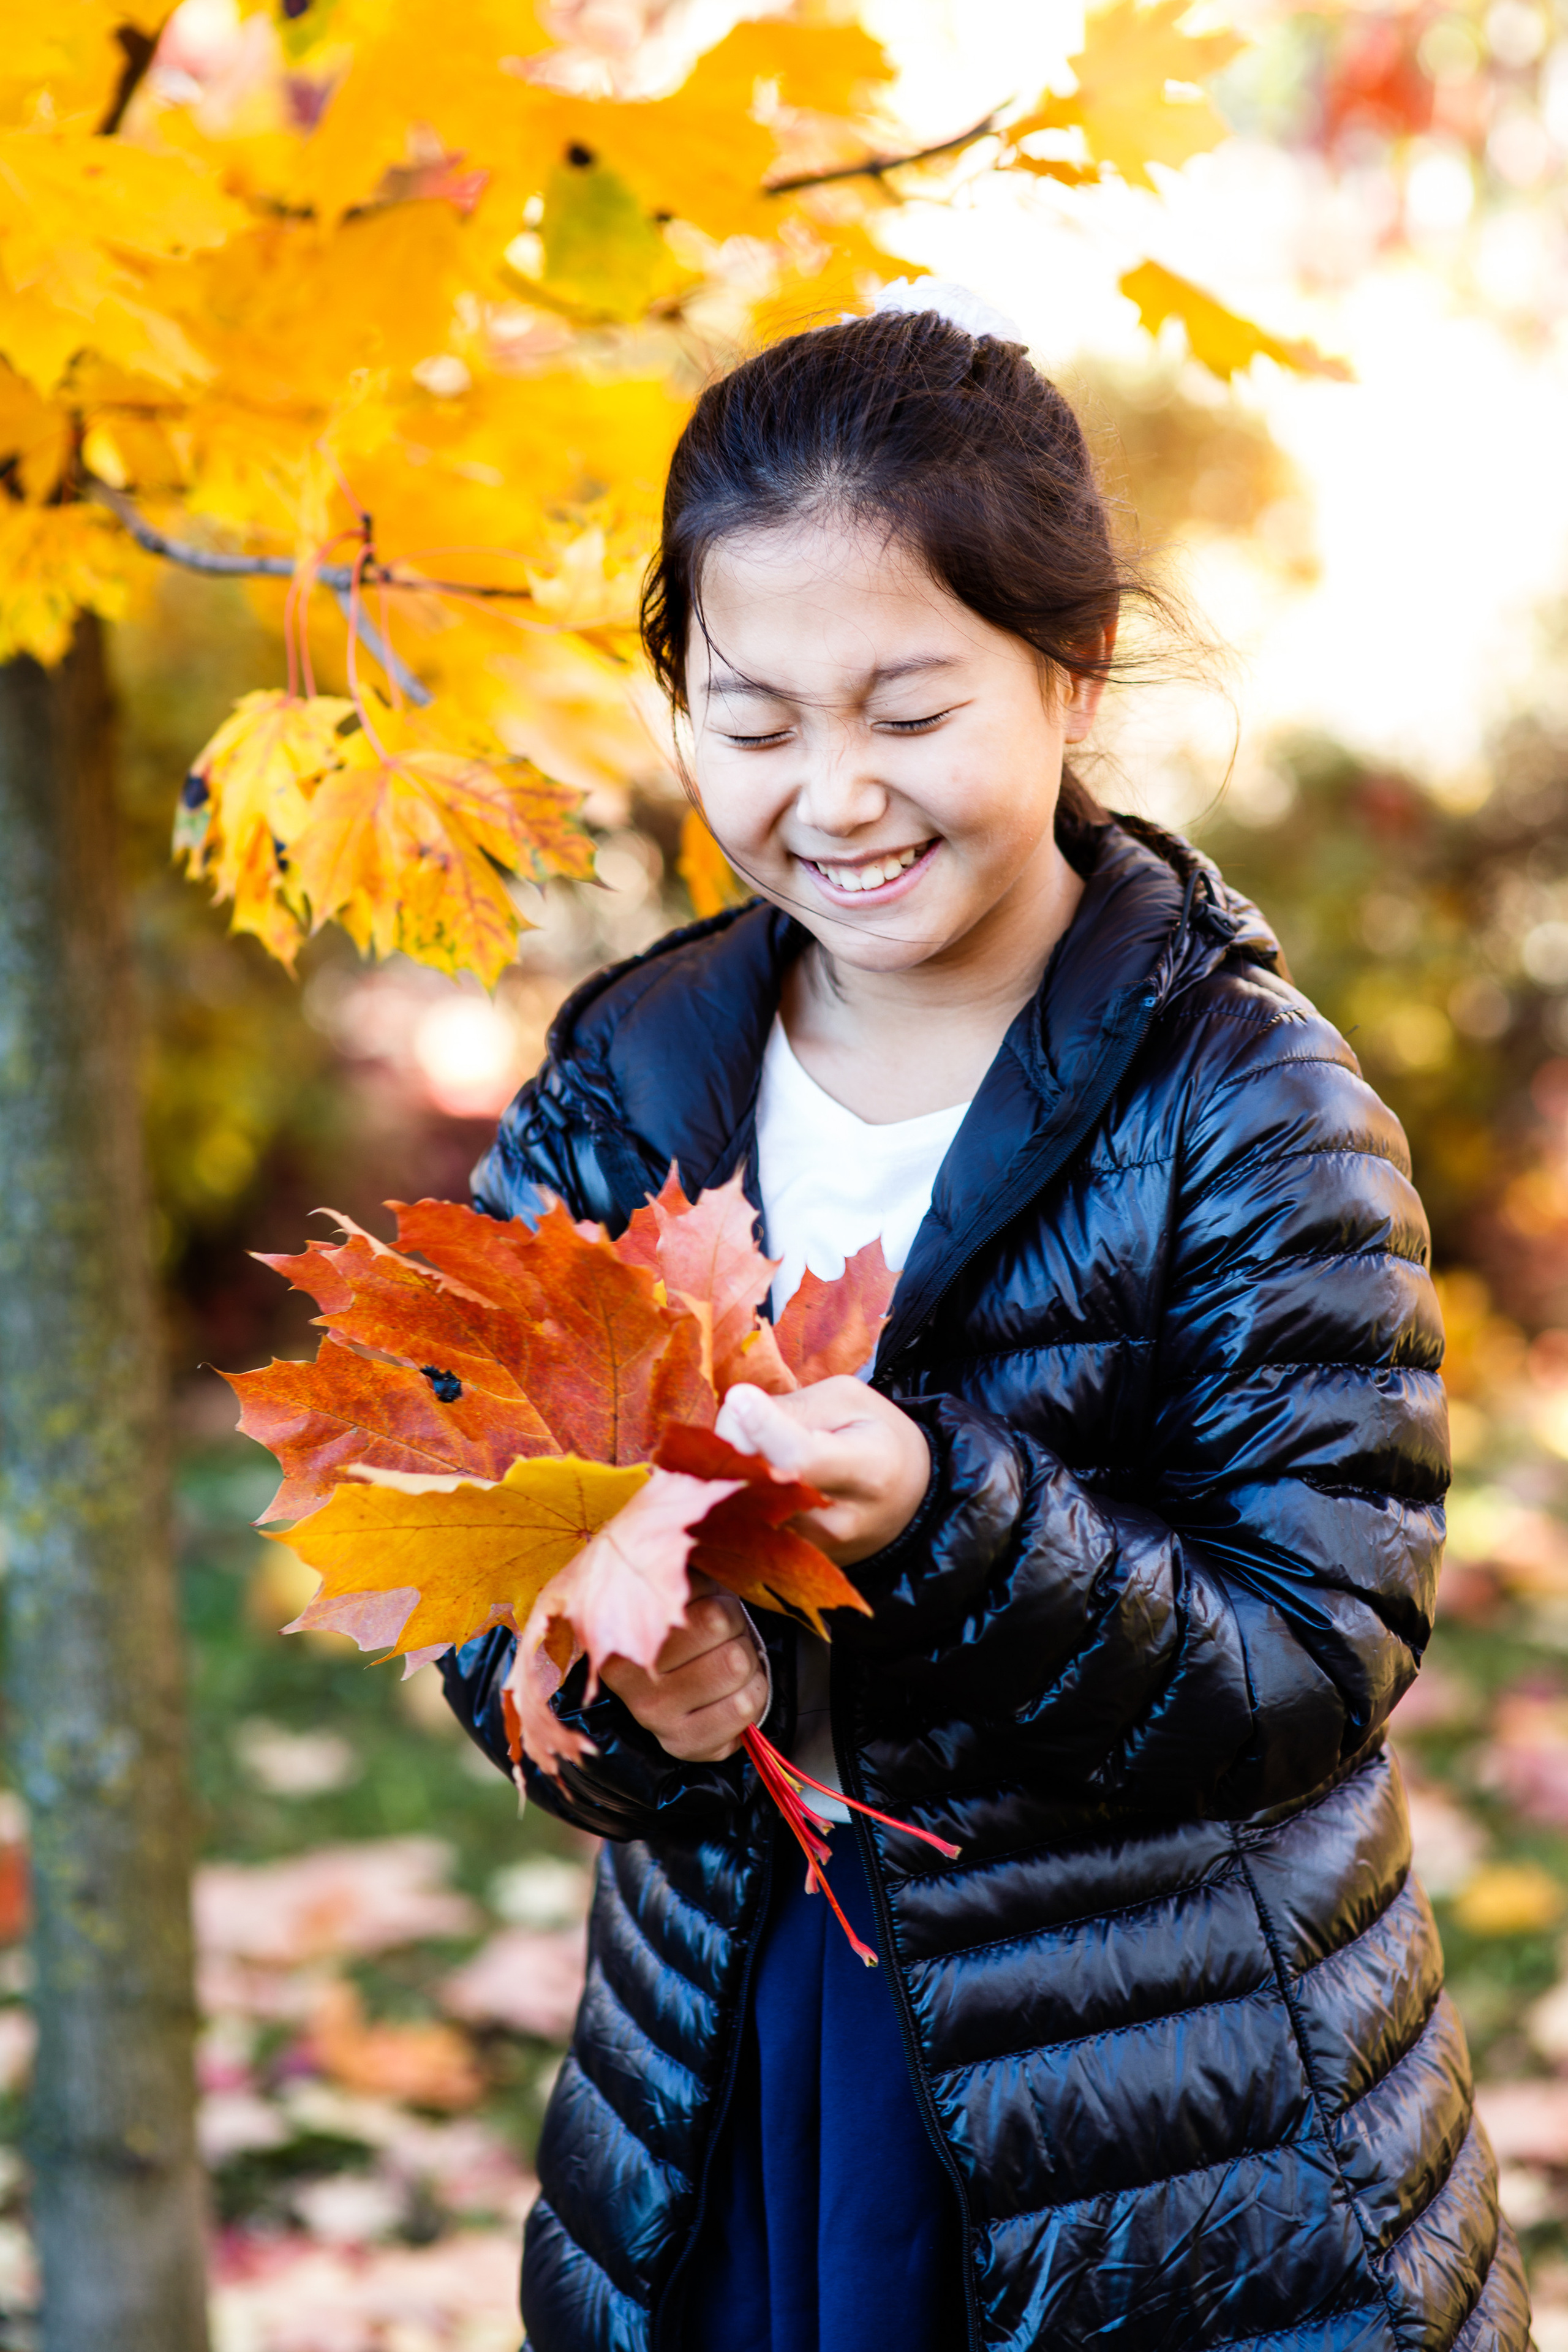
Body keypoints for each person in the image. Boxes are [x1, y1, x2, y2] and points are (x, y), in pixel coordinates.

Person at [442, 282, 1527, 2352]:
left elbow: (1312, 1655)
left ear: (1074, 676)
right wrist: (620, 1698)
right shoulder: (628, 1084)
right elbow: (486, 1563)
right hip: (733, 2053)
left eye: (909, 711)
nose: (831, 795)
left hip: (1161, 2093)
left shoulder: (1247, 1109)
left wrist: (944, 1514)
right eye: (753, 723)